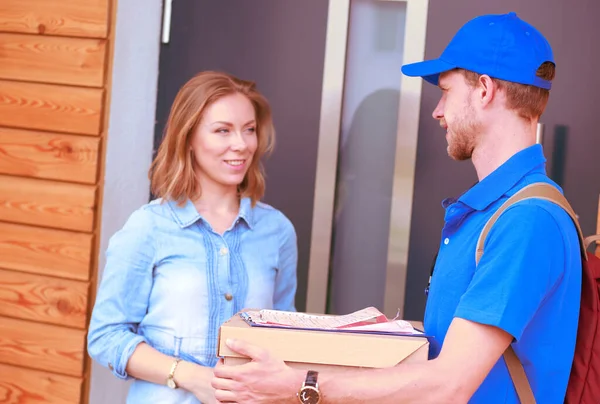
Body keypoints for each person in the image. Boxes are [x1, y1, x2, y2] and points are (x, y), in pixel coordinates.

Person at [211, 12, 581, 404]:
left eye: (446, 91)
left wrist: (302, 384)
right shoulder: (491, 213)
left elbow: (448, 385)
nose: (438, 112)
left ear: (485, 90)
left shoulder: (527, 220)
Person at [87, 71, 298, 404]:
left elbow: (285, 335)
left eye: (249, 130)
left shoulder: (277, 232)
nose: (241, 144)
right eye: (222, 131)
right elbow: (106, 336)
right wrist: (190, 376)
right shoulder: (147, 228)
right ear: (188, 138)